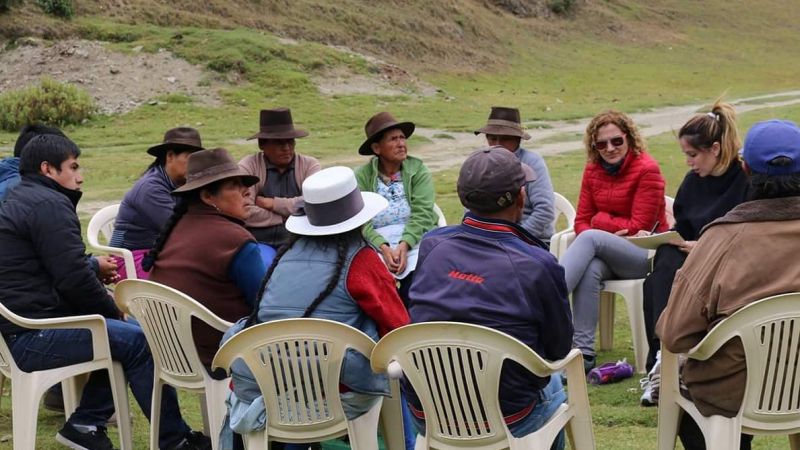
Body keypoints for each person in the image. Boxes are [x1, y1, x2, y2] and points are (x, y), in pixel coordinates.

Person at [0, 134, 209, 450]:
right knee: (142, 339)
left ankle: (86, 422)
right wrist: (113, 311)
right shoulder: (49, 205)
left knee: (130, 334)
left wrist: (93, 268)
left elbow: (56, 265)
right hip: (34, 335)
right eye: (73, 167)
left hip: (28, 325)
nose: (80, 176)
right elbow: (73, 281)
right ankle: (174, 440)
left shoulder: (25, 197)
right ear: (48, 169)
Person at [220, 166, 409, 450]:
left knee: (303, 368)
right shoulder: (362, 260)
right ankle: (404, 445)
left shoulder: (285, 256)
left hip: (271, 385)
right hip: (334, 393)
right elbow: (398, 329)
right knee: (394, 361)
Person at [407, 147, 573, 448]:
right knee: (558, 386)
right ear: (520, 198)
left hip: (429, 409)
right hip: (509, 415)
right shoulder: (538, 263)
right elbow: (558, 349)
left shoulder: (432, 245)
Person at [657, 119, 800, 450]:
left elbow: (675, 333)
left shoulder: (720, 239)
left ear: (746, 168)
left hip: (733, 393)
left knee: (697, 408)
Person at [639, 101, 749, 406]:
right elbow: (684, 228)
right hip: (690, 261)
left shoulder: (744, 180)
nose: (688, 163)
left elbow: (746, 235)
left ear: (714, 149)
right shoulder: (692, 183)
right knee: (664, 260)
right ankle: (662, 359)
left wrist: (704, 248)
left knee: (669, 271)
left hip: (729, 265)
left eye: (692, 155)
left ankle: (667, 360)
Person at [560, 110, 668, 371]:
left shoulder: (647, 170)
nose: (610, 148)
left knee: (590, 239)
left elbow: (638, 227)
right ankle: (584, 352)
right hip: (611, 251)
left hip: (646, 254)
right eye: (601, 144)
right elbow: (581, 220)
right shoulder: (592, 170)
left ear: (629, 138)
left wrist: (600, 222)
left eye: (616, 141)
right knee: (591, 266)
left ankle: (546, 301)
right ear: (594, 146)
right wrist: (602, 226)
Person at [145, 148, 272, 368]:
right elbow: (267, 306)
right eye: (234, 185)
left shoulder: (178, 226)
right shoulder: (234, 239)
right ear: (207, 196)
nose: (247, 191)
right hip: (223, 354)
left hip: (174, 353)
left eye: (245, 184)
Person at [354, 111, 437, 305]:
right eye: (393, 139)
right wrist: (383, 247)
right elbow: (360, 220)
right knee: (376, 286)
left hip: (414, 238)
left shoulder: (418, 170)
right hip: (374, 242)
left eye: (402, 138)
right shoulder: (362, 176)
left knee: (416, 284)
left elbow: (423, 213)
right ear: (377, 148)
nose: (401, 143)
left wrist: (404, 244)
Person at [110, 127, 204, 279]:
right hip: (128, 259)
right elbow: (181, 230)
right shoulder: (151, 188)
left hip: (161, 253)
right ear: (170, 156)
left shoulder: (184, 184)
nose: (195, 165)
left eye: (198, 159)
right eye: (190, 158)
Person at [239, 108, 321, 248]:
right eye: (278, 142)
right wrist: (286, 215)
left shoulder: (310, 165)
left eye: (290, 141)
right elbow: (244, 210)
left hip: (301, 241)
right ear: (262, 144)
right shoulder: (248, 167)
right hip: (257, 242)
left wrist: (272, 204)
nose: (286, 148)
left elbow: (315, 204)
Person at [474, 106, 556, 242]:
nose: (497, 144)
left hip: (532, 239)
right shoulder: (482, 162)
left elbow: (545, 210)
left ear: (518, 140)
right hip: (489, 238)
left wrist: (514, 239)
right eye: (492, 139)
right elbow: (470, 206)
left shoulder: (533, 162)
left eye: (505, 139)